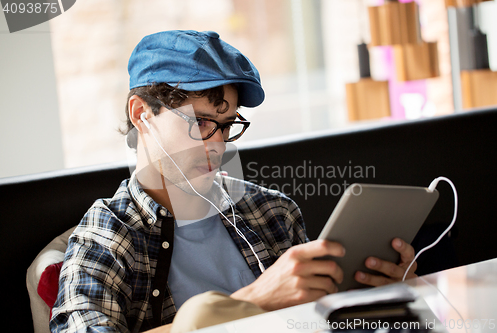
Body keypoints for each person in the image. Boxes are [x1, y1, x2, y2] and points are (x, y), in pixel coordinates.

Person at [50, 30, 417, 333]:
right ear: (142, 114)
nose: (218, 145)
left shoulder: (273, 212)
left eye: (227, 126)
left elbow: (320, 323)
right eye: (201, 122)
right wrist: (252, 302)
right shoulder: (107, 236)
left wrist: (374, 296)